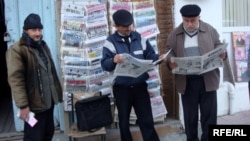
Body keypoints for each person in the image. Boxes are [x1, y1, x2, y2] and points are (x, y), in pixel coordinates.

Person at [165, 4, 227, 141]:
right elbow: (169, 53)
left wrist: (223, 53)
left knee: (209, 116)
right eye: (186, 20)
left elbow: (218, 45)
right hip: (187, 82)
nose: (190, 24)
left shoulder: (210, 30)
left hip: (208, 80)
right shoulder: (174, 35)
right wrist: (170, 62)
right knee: (190, 117)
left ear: (199, 17)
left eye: (193, 20)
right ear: (182, 18)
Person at [101, 9, 161, 141]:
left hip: (140, 87)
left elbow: (150, 55)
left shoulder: (139, 38)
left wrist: (158, 57)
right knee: (124, 122)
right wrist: (113, 60)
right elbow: (104, 64)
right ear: (116, 26)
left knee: (147, 120)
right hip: (122, 89)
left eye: (130, 25)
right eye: (125, 26)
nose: (129, 28)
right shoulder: (110, 42)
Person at [6, 13, 62, 141]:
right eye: (33, 30)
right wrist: (23, 105)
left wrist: (56, 94)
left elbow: (50, 72)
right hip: (33, 105)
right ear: (25, 31)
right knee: (34, 136)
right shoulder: (17, 50)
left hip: (48, 102)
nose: (38, 33)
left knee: (48, 132)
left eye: (39, 29)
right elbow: (16, 80)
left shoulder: (42, 45)